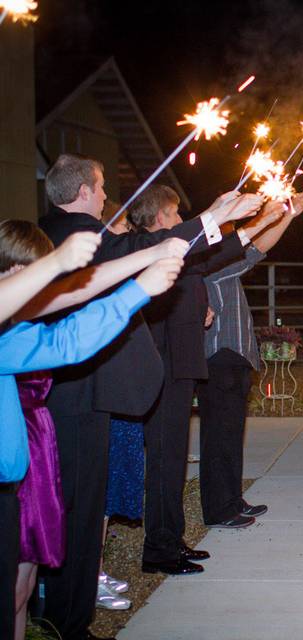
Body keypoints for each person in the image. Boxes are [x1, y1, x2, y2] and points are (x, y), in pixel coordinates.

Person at [37, 153, 262, 640]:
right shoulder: (79, 238)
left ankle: (65, 619)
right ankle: (64, 623)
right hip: (76, 397)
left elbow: (147, 250)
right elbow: (145, 246)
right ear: (81, 194)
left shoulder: (59, 233)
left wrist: (218, 219)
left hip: (73, 395)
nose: (103, 197)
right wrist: (214, 217)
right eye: (99, 189)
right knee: (76, 511)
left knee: (76, 508)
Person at [0, 221, 184, 640]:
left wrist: (148, 260)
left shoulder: (9, 320)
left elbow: (79, 289)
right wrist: (137, 289)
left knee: (18, 589)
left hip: (12, 489)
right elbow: (69, 341)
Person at [128, 185, 281, 575]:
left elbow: (221, 255)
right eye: (176, 214)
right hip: (162, 365)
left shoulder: (173, 251)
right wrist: (255, 218)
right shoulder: (148, 251)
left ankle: (171, 540)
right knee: (163, 461)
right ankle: (159, 550)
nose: (181, 220)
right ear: (160, 218)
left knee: (174, 459)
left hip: (182, 364)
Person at [198, 193, 303, 529]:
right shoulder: (209, 259)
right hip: (219, 358)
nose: (234, 229)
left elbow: (255, 245)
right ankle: (219, 510)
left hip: (237, 358)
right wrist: (283, 216)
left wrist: (286, 214)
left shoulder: (220, 256)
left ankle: (232, 500)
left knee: (232, 435)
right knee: (218, 438)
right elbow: (256, 249)